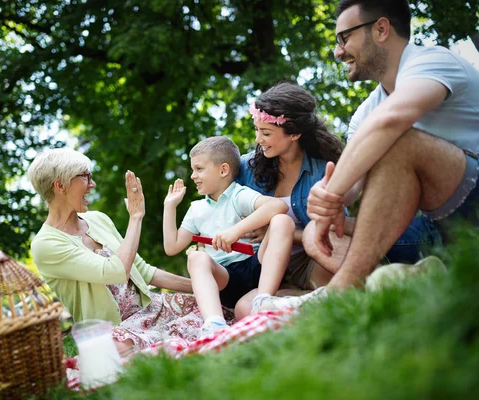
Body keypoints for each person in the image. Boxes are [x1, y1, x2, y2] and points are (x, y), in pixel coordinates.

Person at [305, 0, 479, 290]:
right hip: (432, 226)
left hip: (471, 207)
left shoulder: (434, 61)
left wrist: (331, 192)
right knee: (315, 232)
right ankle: (393, 289)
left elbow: (392, 121)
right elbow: (352, 187)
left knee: (399, 142)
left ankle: (341, 291)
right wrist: (324, 201)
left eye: (344, 38)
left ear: (381, 29)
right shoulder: (366, 113)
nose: (338, 52)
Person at [234, 81, 439, 314]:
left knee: (324, 251)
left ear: (295, 133)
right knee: (244, 310)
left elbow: (331, 234)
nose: (258, 139)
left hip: (314, 260)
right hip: (270, 267)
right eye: (257, 130)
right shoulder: (248, 167)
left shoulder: (324, 171)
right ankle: (312, 300)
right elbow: (216, 175)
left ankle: (392, 286)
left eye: (266, 132)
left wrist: (285, 233)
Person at [27, 148, 201, 353]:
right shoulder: (45, 244)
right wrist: (135, 218)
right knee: (113, 348)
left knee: (213, 307)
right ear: (60, 185)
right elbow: (113, 271)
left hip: (153, 309)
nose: (92, 184)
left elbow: (143, 271)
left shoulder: (98, 219)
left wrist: (201, 286)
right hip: (116, 331)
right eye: (84, 176)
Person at [163, 136, 296, 336]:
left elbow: (279, 206)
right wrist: (169, 206)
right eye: (193, 170)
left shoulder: (238, 194)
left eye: (199, 169)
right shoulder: (196, 209)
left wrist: (235, 231)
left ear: (223, 170)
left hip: (257, 266)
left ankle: (263, 300)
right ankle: (214, 325)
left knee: (282, 221)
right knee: (196, 257)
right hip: (225, 278)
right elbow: (172, 247)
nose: (192, 176)